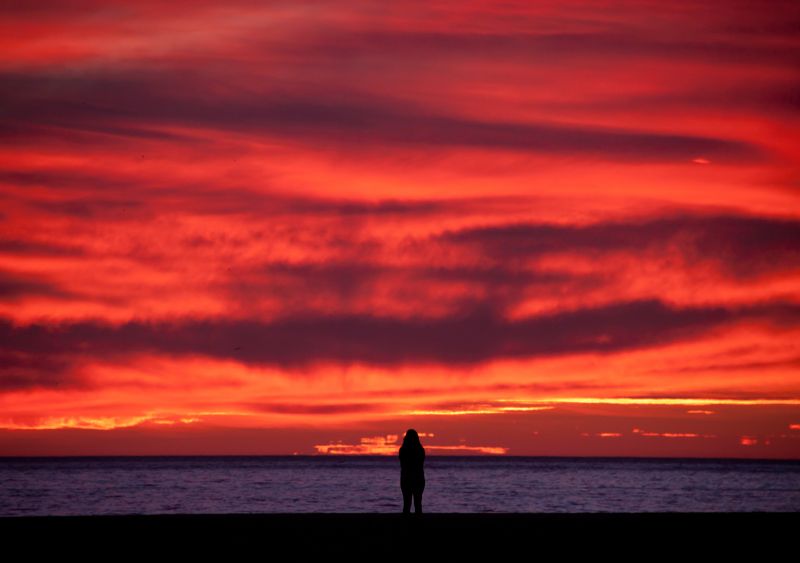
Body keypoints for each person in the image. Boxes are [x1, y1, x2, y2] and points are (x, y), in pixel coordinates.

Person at [399, 428, 425, 514]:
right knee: (418, 503)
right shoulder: (420, 450)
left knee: (406, 503)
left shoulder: (403, 450)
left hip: (406, 478)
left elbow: (403, 464)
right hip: (418, 478)